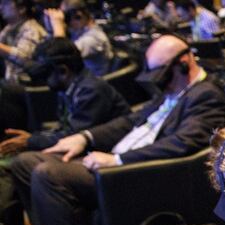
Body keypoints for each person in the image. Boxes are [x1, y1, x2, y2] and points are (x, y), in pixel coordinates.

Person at [10, 34, 225, 225]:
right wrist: (86, 137)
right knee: (24, 163)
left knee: (47, 173)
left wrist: (117, 160)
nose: (155, 79)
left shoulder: (206, 95)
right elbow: (132, 121)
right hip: (115, 164)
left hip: (132, 176)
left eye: (159, 72)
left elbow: (183, 144)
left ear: (183, 62)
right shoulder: (171, 91)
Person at [0, 38, 129, 157]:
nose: (45, 82)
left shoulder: (91, 90)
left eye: (45, 75)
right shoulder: (70, 87)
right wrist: (33, 138)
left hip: (106, 153)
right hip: (86, 148)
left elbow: (74, 136)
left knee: (24, 160)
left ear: (63, 71)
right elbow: (65, 128)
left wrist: (31, 141)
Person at [44, 0, 114, 76]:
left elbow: (61, 57)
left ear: (78, 16)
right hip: (81, 80)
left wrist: (58, 25)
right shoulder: (79, 31)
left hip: (90, 84)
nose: (65, 23)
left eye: (66, 19)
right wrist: (51, 30)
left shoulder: (94, 39)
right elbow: (49, 52)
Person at [0, 0, 45, 83]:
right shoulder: (9, 28)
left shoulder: (32, 29)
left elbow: (23, 57)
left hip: (28, 86)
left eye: (5, 3)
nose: (1, 7)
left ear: (22, 8)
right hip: (12, 84)